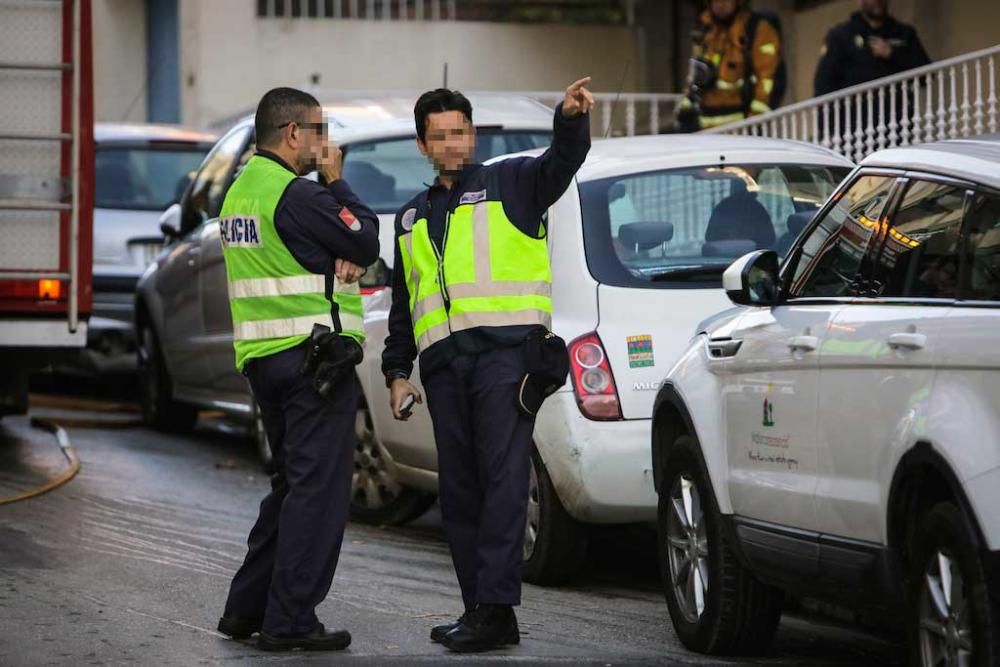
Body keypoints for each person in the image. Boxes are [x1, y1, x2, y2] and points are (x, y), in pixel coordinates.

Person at [381, 79, 593, 653]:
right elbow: (405, 307)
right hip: (446, 369)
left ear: (473, 135)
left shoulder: (513, 182)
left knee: (502, 484)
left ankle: (496, 608)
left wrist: (569, 120)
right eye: (439, 136)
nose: (452, 144)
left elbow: (563, 162)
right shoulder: (409, 219)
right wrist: (397, 372)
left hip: (507, 359)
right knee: (461, 490)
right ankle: (481, 608)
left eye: (460, 132)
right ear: (422, 145)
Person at [215, 87, 379, 652]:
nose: (327, 145)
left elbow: (326, 249)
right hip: (315, 364)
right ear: (292, 135)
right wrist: (337, 184)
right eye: (320, 132)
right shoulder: (297, 194)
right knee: (318, 494)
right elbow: (368, 236)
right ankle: (288, 621)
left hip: (265, 361)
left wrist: (341, 248)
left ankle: (246, 609)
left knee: (290, 486)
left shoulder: (240, 194)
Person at [677, 0, 784, 131]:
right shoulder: (705, 30)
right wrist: (686, 109)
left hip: (740, 129)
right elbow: (696, 77)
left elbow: (767, 77)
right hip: (705, 130)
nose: (721, 5)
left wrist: (755, 122)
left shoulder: (755, 29)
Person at [814, 0, 930, 96]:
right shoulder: (841, 36)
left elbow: (926, 76)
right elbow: (823, 85)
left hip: (898, 118)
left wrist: (893, 53)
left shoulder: (904, 33)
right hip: (857, 119)